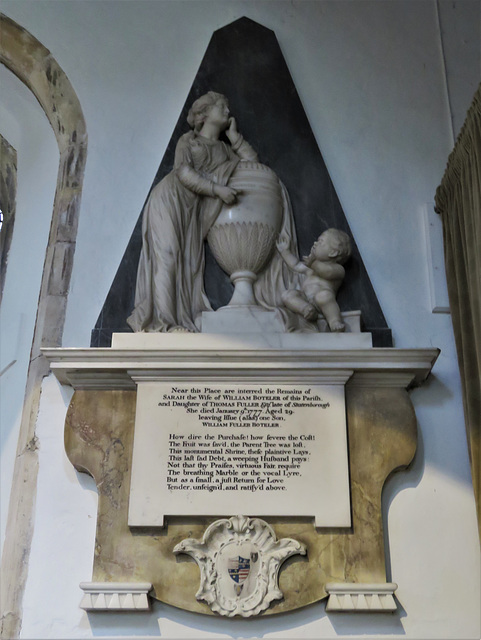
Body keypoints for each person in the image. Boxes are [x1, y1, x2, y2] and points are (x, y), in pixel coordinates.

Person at [128, 91, 307, 333]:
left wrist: (235, 138)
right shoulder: (189, 141)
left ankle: (175, 317)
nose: (227, 111)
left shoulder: (224, 150)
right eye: (222, 106)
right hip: (170, 198)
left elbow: (252, 163)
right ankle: (166, 324)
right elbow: (183, 173)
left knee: (186, 263)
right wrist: (217, 190)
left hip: (192, 209)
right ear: (204, 114)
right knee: (168, 255)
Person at [276, 228, 351, 332]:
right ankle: (306, 309)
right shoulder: (311, 267)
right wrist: (285, 252)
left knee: (324, 296)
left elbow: (327, 272)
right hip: (306, 298)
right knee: (287, 295)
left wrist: (312, 263)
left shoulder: (338, 269)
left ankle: (334, 321)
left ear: (333, 252)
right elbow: (296, 265)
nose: (315, 243)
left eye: (321, 242)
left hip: (320, 301)